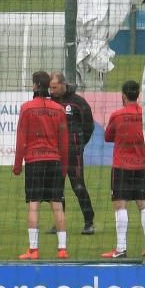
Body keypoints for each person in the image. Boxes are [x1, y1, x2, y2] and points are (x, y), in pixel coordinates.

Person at [13, 71, 70, 260]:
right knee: (57, 206)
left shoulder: (27, 108)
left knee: (34, 206)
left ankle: (33, 249)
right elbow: (64, 141)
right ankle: (62, 249)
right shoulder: (59, 109)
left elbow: (21, 138)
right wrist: (64, 166)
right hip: (54, 161)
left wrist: (17, 164)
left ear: (36, 85)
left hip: (34, 162)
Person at [102, 81, 145, 259]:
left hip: (121, 165)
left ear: (123, 96)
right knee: (144, 206)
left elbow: (107, 137)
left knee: (120, 205)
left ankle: (121, 249)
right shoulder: (144, 114)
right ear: (138, 95)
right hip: (143, 165)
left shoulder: (117, 115)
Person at [49, 71, 96, 235]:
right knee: (56, 188)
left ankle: (89, 221)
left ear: (63, 84)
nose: (52, 91)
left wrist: (80, 144)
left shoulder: (78, 102)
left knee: (78, 185)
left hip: (73, 152)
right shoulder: (50, 103)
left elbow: (89, 126)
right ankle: (59, 223)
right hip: (55, 153)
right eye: (50, 87)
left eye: (54, 87)